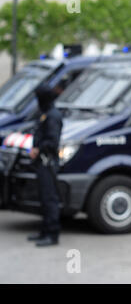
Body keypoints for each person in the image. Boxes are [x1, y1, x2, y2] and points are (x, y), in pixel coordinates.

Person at [27, 84, 63, 247]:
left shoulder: (53, 115)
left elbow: (52, 141)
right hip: (41, 162)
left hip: (47, 162)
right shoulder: (46, 113)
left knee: (50, 199)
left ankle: (52, 234)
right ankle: (44, 231)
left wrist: (38, 149)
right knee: (43, 198)